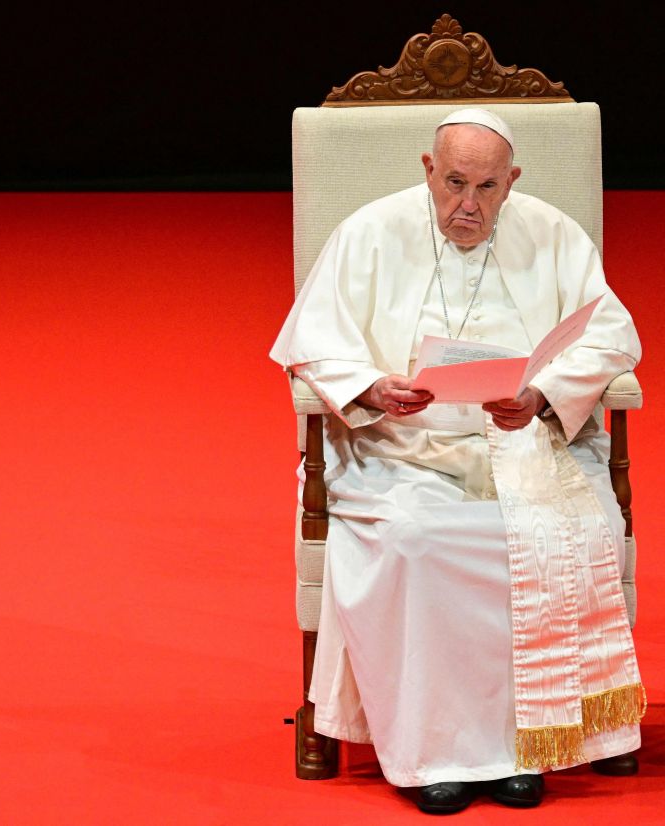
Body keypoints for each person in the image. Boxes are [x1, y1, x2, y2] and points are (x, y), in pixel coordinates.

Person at [271, 108, 645, 814]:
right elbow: (313, 341)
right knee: (416, 541)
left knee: (535, 538)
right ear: (426, 170)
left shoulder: (552, 232)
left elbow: (612, 336)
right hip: (400, 448)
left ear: (513, 182)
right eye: (452, 184)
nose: (466, 206)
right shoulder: (370, 233)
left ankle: (520, 750)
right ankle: (431, 756)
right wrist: (372, 388)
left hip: (524, 444)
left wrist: (541, 394)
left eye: (486, 188)